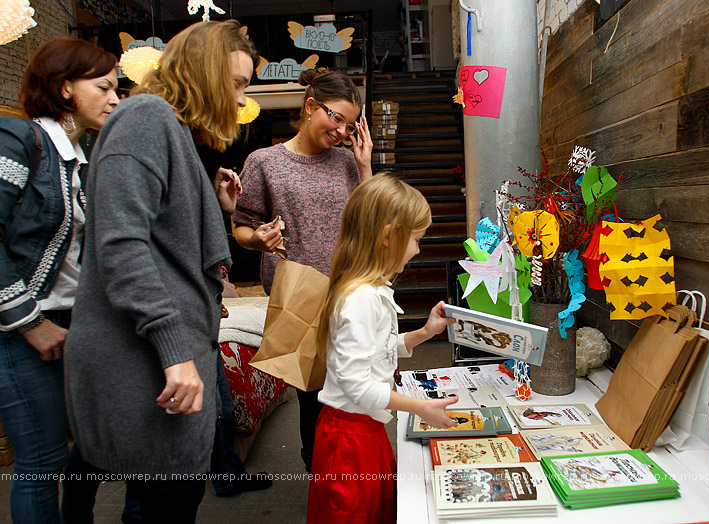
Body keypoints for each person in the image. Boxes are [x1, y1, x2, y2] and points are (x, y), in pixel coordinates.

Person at [60, 20, 256, 524]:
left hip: (159, 357)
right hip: (142, 358)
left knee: (171, 501)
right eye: (236, 84)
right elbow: (122, 246)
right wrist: (174, 351)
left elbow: (164, 237)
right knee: (161, 506)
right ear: (205, 75)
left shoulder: (169, 128)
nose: (241, 99)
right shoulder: (146, 117)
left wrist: (216, 207)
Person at [0, 37, 118, 524]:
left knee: (87, 450)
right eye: (105, 86)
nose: (115, 98)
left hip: (72, 325)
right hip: (22, 330)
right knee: (41, 463)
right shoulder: (18, 140)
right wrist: (30, 322)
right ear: (65, 88)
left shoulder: (77, 158)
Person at [232, 67, 373, 471]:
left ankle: (356, 473)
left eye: (350, 124)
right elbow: (241, 225)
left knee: (357, 389)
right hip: (299, 295)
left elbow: (370, 219)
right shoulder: (264, 162)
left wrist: (364, 166)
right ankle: (321, 474)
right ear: (311, 106)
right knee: (315, 396)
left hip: (350, 291)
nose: (342, 131)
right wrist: (257, 239)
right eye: (336, 118)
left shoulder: (348, 163)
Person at [307, 174, 459, 523]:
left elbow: (377, 350)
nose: (418, 250)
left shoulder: (366, 289)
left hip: (361, 429)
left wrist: (423, 332)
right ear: (389, 236)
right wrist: (421, 407)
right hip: (350, 437)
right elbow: (357, 384)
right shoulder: (363, 297)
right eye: (416, 239)